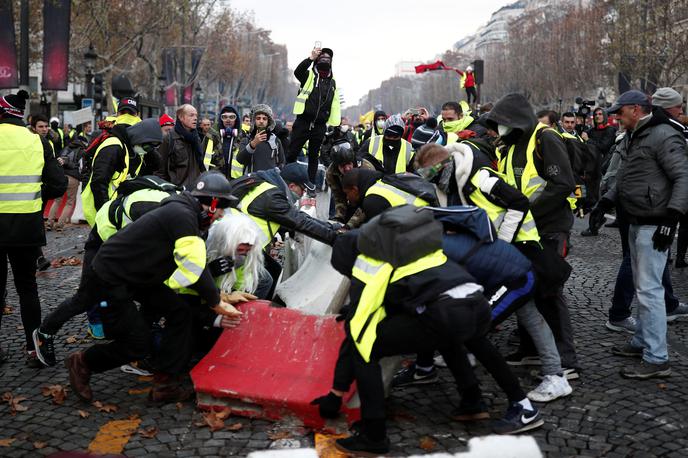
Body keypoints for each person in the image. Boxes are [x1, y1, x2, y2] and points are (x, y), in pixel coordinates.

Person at [322, 215, 542, 455]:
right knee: (455, 338)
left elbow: (359, 330)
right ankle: (490, 402)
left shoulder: (369, 265)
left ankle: (373, 436)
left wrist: (336, 393)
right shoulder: (406, 247)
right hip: (472, 299)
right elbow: (402, 298)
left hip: (447, 309)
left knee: (365, 348)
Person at [64, 172, 242, 403]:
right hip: (112, 276)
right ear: (211, 203)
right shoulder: (181, 214)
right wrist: (215, 303)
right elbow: (194, 268)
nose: (221, 215)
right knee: (138, 343)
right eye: (221, 208)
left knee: (181, 312)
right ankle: (83, 362)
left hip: (141, 276)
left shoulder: (192, 218)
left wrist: (217, 296)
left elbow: (196, 263)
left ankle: (165, 383)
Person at [592, 90, 688, 379]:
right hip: (636, 220)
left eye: (619, 112)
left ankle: (657, 358)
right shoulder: (637, 134)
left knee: (649, 291)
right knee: (644, 286)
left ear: (636, 109)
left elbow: (684, 176)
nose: (616, 118)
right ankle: (642, 341)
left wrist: (672, 218)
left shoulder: (661, 135)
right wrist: (606, 201)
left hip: (653, 223)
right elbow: (627, 176)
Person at [485, 93, 581, 378]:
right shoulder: (511, 144)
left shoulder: (545, 138)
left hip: (549, 226)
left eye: (503, 124)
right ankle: (530, 349)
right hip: (526, 228)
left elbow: (561, 183)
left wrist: (526, 212)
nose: (499, 129)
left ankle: (566, 360)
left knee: (550, 291)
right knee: (527, 288)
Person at [0, 90, 67, 367]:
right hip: (26, 226)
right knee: (27, 289)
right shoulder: (38, 141)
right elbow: (59, 184)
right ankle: (33, 349)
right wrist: (36, 196)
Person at [287, 47, 341, 184]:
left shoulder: (332, 82)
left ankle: (310, 185)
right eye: (322, 56)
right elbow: (297, 72)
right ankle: (287, 180)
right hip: (303, 121)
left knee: (313, 156)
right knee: (292, 153)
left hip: (319, 125)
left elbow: (333, 104)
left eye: (328, 57)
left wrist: (334, 126)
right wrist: (310, 58)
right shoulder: (308, 76)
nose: (325, 59)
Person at [326, 143, 375, 229]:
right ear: (336, 166)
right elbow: (339, 197)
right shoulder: (331, 173)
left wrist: (349, 225)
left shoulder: (366, 168)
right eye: (342, 166)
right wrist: (339, 218)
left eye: (349, 163)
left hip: (369, 204)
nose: (347, 168)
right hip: (351, 202)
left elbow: (368, 203)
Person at [157, 104, 207, 188]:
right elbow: (160, 170)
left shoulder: (196, 138)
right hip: (176, 191)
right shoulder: (169, 138)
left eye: (196, 115)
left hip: (196, 190)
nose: (195, 118)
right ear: (180, 117)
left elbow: (200, 165)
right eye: (191, 115)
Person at [237, 104, 284, 174]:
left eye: (264, 119)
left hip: (270, 182)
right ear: (253, 121)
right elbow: (240, 160)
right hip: (252, 182)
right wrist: (253, 144)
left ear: (269, 122)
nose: (261, 121)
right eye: (258, 118)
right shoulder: (246, 140)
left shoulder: (276, 141)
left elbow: (282, 163)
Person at [217, 105, 244, 179]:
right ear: (221, 120)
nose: (228, 120)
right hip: (216, 180)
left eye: (232, 117)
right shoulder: (212, 137)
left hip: (236, 181)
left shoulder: (243, 138)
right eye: (224, 117)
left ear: (236, 120)